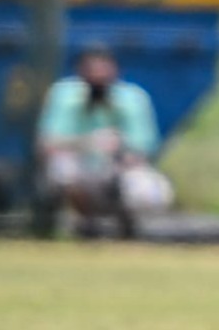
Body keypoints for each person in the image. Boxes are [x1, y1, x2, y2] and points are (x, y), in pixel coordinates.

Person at [37, 43, 169, 238]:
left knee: (147, 191)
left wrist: (121, 151)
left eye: (103, 69)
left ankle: (128, 226)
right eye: (92, 70)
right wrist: (88, 142)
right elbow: (47, 142)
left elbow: (145, 147)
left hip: (116, 169)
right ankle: (79, 222)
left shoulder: (132, 99)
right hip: (81, 168)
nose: (98, 76)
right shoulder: (65, 96)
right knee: (63, 169)